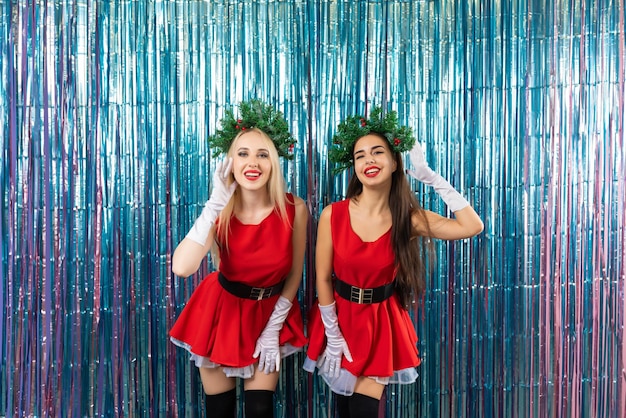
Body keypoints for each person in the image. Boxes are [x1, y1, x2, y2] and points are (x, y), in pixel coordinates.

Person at [303, 107, 484, 417]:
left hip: (380, 323)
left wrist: (431, 177)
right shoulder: (333, 214)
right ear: (354, 166)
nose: (368, 160)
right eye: (360, 155)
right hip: (340, 319)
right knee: (344, 409)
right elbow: (322, 278)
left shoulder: (409, 218)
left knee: (362, 410)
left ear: (394, 162)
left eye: (377, 152)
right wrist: (332, 333)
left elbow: (471, 226)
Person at [170, 99, 308, 418]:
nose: (253, 163)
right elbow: (181, 267)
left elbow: (295, 274)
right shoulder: (219, 212)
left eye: (262, 154)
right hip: (219, 313)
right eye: (243, 153)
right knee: (220, 411)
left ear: (273, 162)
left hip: (268, 313)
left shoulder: (295, 209)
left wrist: (273, 328)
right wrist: (215, 204)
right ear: (231, 161)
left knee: (259, 408)